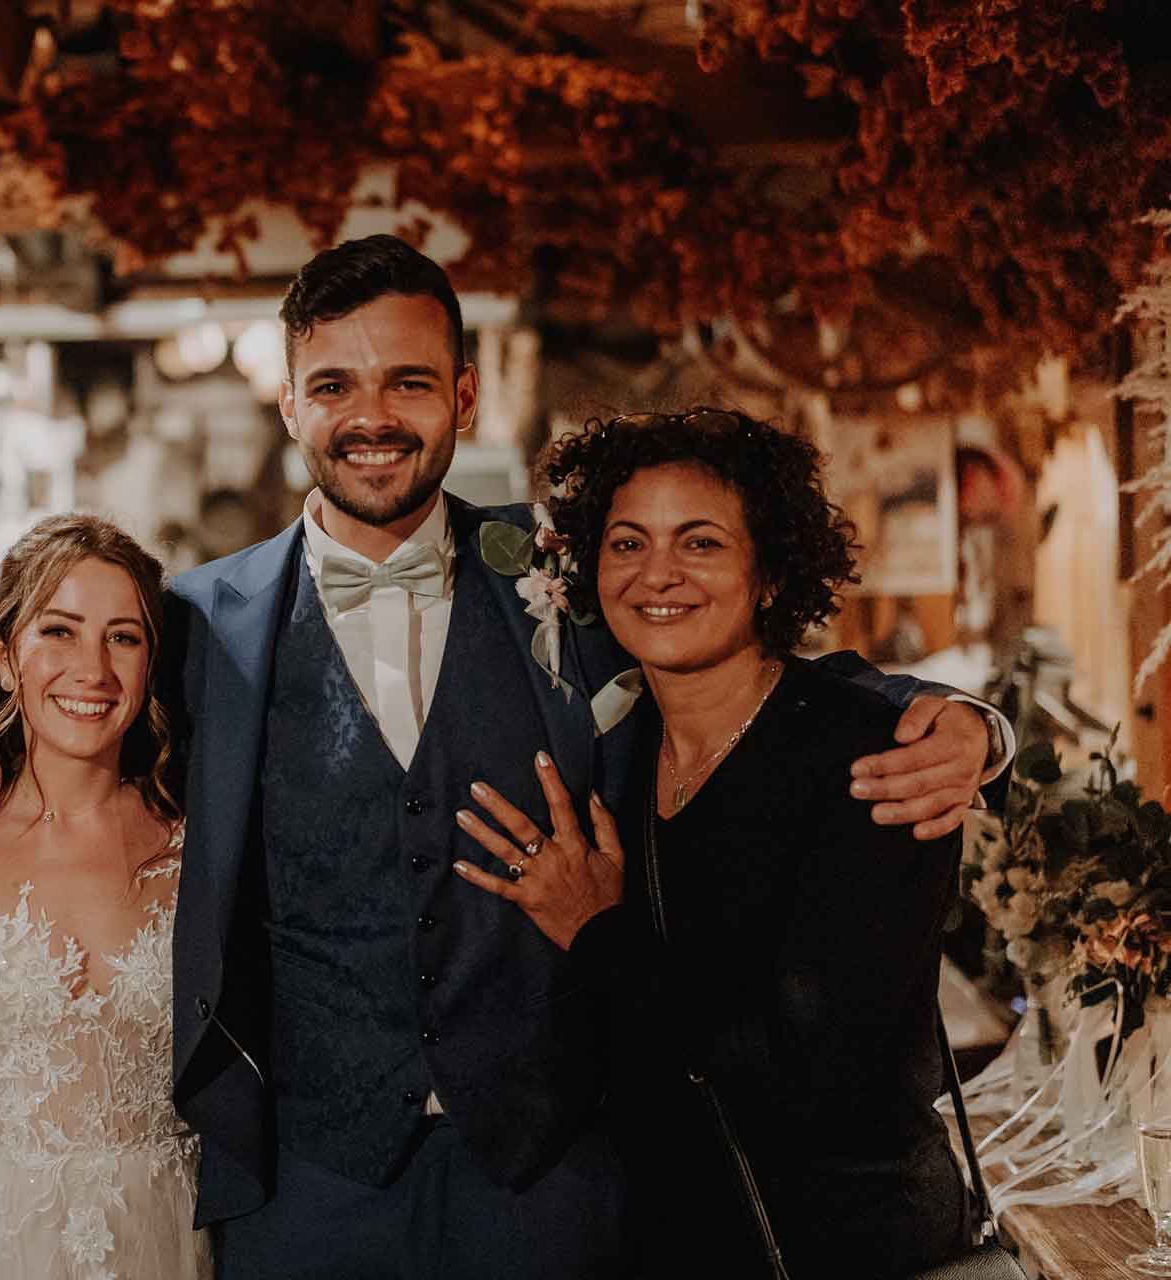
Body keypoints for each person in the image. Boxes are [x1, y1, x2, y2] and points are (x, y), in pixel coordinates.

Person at [162, 236, 1005, 1277]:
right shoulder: (197, 624)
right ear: (289, 403)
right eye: (333, 384)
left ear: (463, 397)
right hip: (311, 1184)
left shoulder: (567, 568)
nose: (371, 416)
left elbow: (750, 656)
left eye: (410, 381)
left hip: (552, 1175)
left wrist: (957, 715)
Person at [453, 409, 973, 1277]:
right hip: (672, 1237)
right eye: (627, 544)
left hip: (848, 1246)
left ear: (769, 573)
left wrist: (595, 931)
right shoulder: (618, 757)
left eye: (699, 543)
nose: (658, 573)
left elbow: (813, 1079)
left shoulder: (872, 761)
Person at [0, 514, 212, 1279]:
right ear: (5, 658)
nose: (92, 669)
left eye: (123, 637)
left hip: (159, 1231)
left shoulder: (200, 844)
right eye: (58, 632)